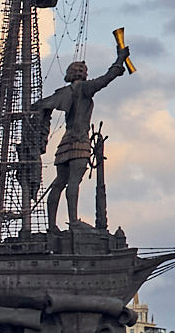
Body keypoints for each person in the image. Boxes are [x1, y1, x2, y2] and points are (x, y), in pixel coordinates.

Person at [31, 35, 133, 231]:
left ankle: (52, 225)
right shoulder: (85, 89)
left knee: (59, 183)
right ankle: (73, 222)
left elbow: (42, 105)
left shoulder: (63, 92)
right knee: (73, 182)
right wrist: (120, 59)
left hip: (65, 142)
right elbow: (107, 78)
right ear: (84, 74)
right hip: (80, 141)